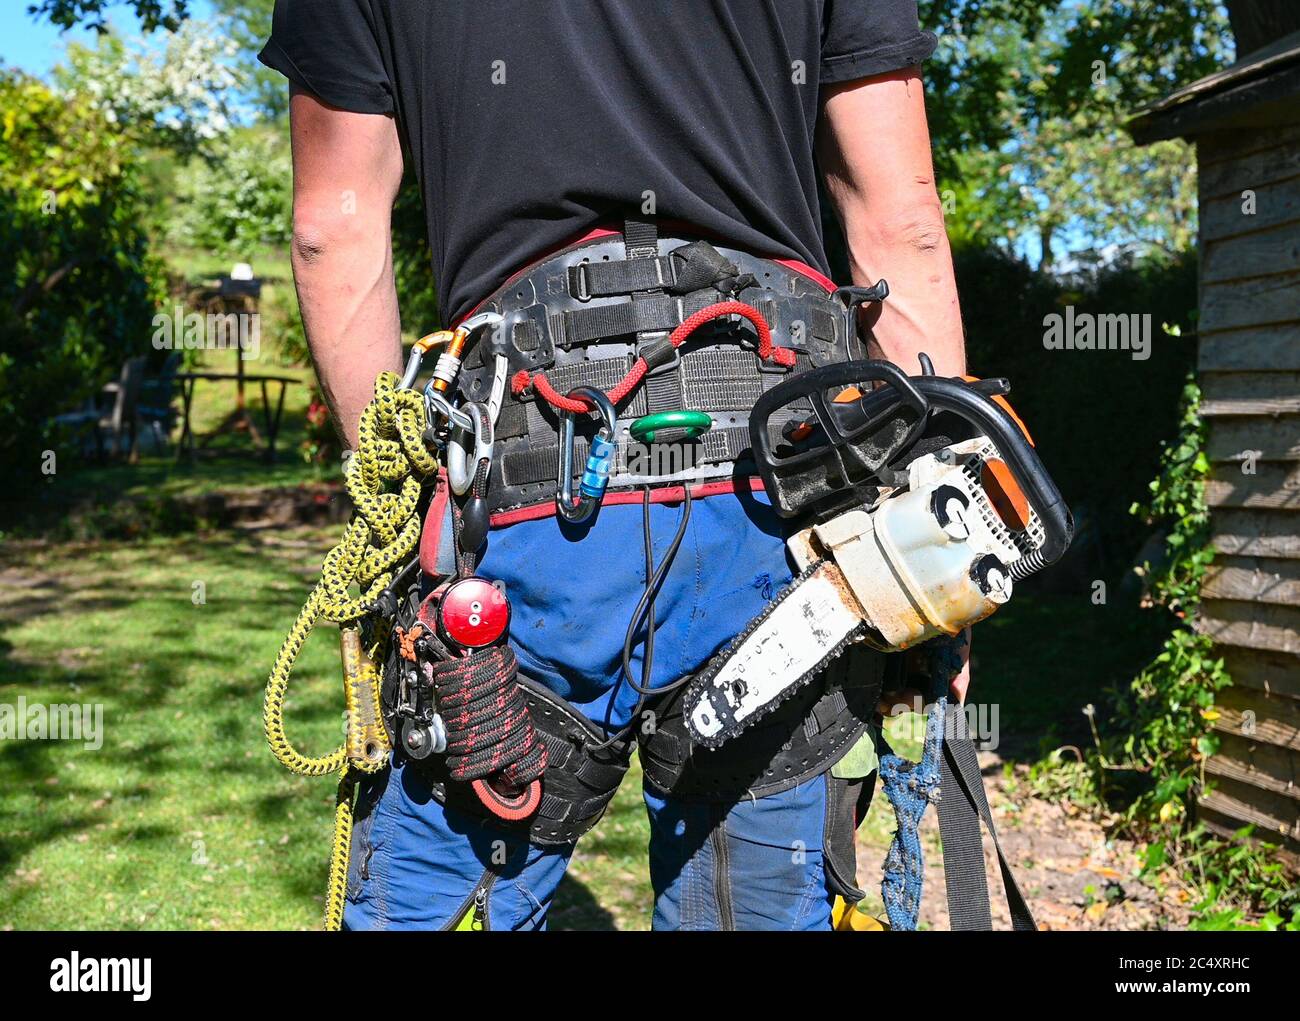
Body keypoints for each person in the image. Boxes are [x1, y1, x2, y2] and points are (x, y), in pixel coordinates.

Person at [260, 0, 970, 931]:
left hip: (524, 501)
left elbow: (332, 226)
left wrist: (402, 506)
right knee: (756, 899)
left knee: (437, 895)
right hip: (774, 504)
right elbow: (900, 219)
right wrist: (944, 542)